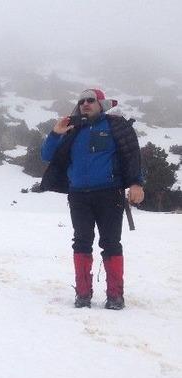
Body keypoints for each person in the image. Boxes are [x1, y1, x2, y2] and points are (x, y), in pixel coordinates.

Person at [40, 88, 144, 310]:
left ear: (101, 104)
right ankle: (83, 294)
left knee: (111, 243)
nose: (85, 104)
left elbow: (131, 155)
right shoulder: (72, 129)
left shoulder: (116, 125)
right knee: (81, 242)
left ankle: (115, 295)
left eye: (91, 100)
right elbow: (47, 155)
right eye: (81, 101)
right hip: (78, 196)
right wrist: (56, 133)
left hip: (110, 194)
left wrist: (136, 183)